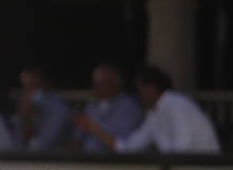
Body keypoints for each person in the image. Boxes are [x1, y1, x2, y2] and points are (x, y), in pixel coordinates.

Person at [76, 64, 220, 154]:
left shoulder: (178, 105)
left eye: (140, 89)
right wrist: (94, 128)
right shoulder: (155, 114)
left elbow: (182, 150)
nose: (138, 95)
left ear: (150, 89)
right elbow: (129, 148)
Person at [73, 63, 143, 153]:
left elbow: (122, 145)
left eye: (104, 83)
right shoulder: (91, 106)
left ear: (117, 83)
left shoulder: (130, 107)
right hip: (87, 160)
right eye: (97, 83)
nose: (99, 88)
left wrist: (93, 128)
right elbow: (78, 137)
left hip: (114, 162)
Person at [14, 66, 73, 151]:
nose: (28, 92)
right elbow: (17, 144)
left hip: (57, 161)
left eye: (32, 86)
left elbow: (41, 146)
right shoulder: (25, 108)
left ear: (44, 84)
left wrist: (26, 116)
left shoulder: (59, 109)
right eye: (25, 87)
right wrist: (25, 117)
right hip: (29, 161)